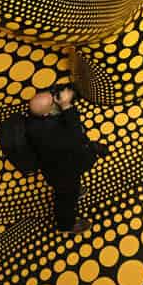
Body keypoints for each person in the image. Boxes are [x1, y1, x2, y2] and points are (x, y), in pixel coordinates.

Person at [25, 87, 109, 233]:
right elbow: (76, 136)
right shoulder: (52, 134)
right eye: (53, 102)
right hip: (63, 173)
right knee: (65, 199)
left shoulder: (34, 120)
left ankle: (75, 190)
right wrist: (66, 105)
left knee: (71, 186)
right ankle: (66, 224)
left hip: (55, 167)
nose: (56, 99)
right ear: (46, 114)